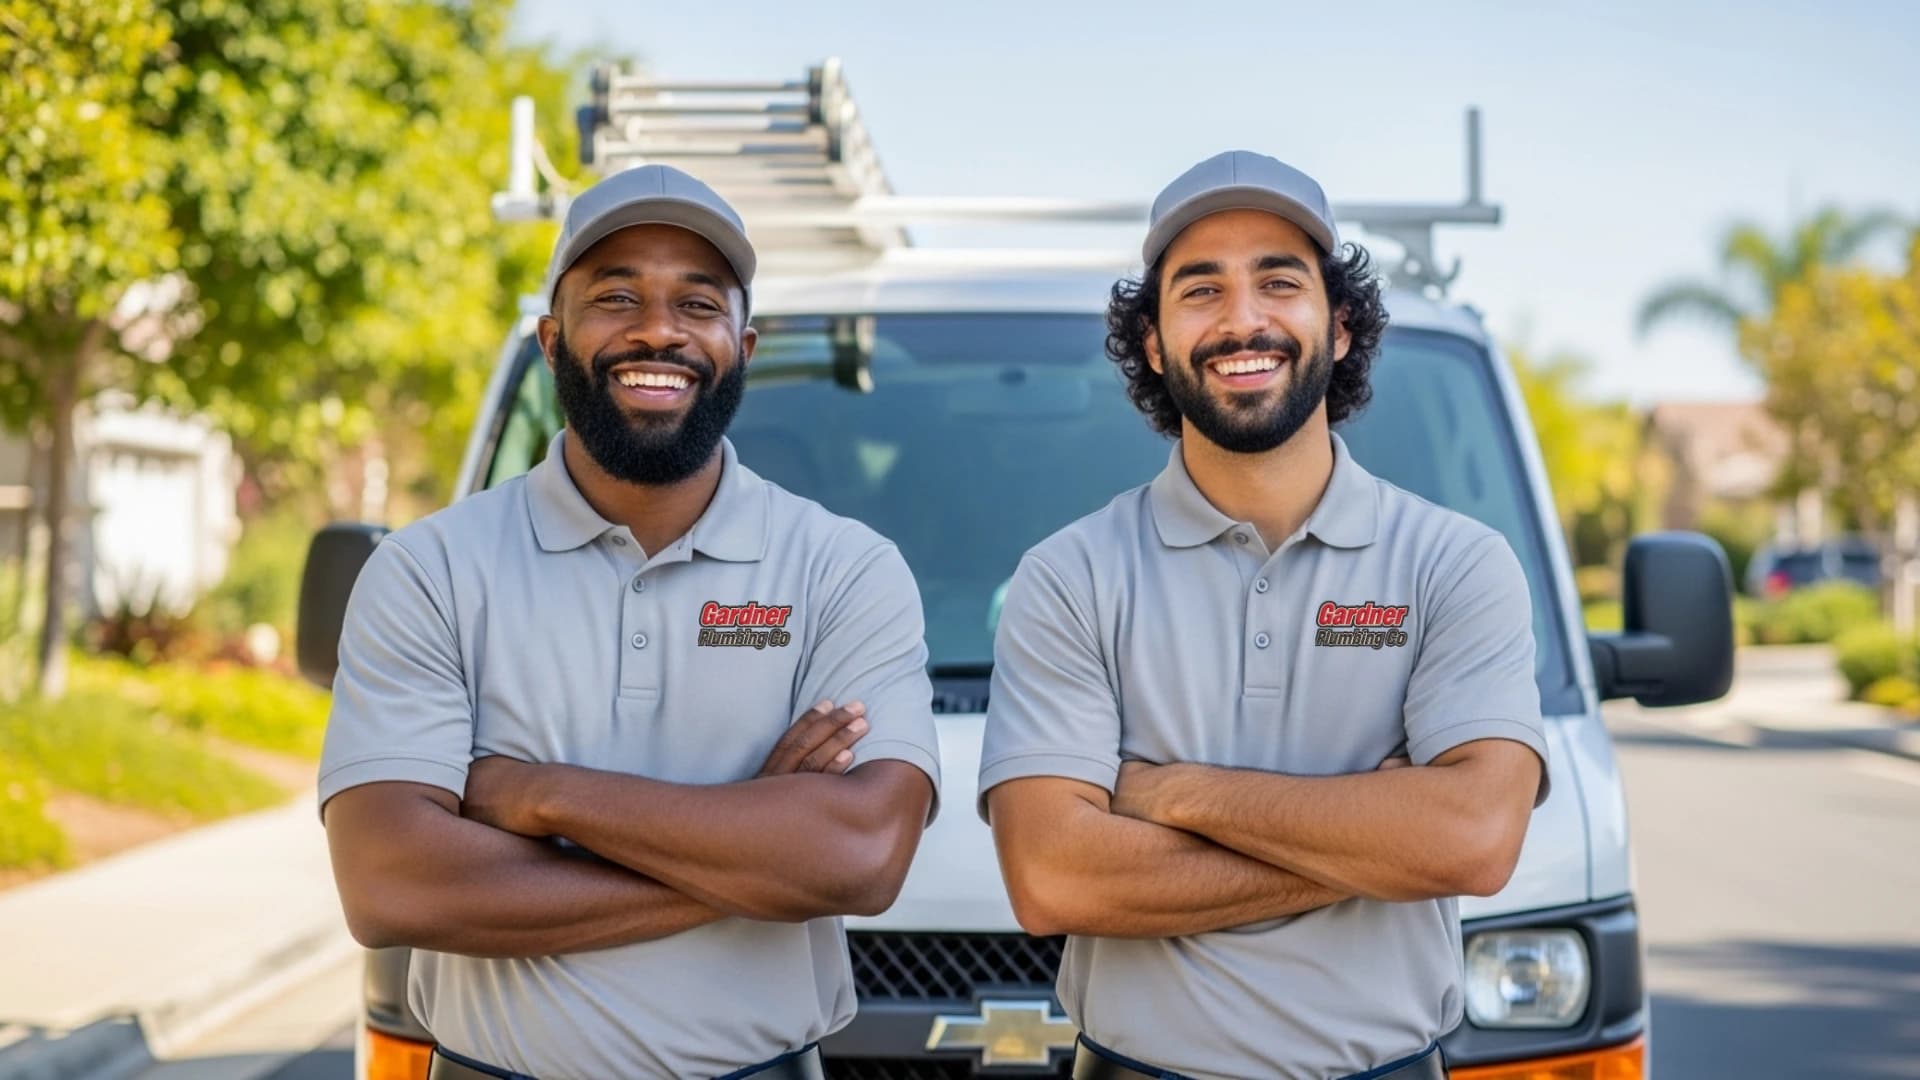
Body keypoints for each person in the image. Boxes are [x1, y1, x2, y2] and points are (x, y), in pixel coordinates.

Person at [318, 164, 941, 1080]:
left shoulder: (843, 569)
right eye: (616, 297)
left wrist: (540, 796)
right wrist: (756, 851)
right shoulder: (430, 570)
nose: (658, 329)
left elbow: (862, 856)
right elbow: (391, 885)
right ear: (552, 340)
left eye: (698, 303)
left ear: (743, 346)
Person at [979, 150, 1549, 1080]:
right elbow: (1053, 878)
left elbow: (1475, 840)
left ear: (1341, 326)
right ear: (1153, 343)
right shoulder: (1070, 577)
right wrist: (1378, 844)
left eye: (1279, 282)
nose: (1243, 320)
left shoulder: (1455, 564)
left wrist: (1174, 794)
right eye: (1201, 289)